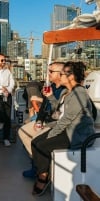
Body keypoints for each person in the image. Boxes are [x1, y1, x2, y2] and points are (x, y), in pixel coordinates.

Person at [31, 61, 95, 196]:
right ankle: (43, 172)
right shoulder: (66, 92)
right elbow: (59, 112)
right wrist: (51, 97)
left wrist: (51, 133)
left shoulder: (80, 93)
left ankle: (43, 177)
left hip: (77, 135)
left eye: (62, 74)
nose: (59, 76)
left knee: (42, 145)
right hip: (67, 129)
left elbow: (66, 119)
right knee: (35, 142)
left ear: (71, 76)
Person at [18, 62, 66, 178]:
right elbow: (44, 106)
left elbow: (61, 112)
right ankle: (38, 163)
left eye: (51, 71)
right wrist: (39, 121)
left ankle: (41, 169)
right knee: (22, 132)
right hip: (45, 120)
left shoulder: (65, 91)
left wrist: (47, 124)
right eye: (48, 70)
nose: (48, 73)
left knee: (35, 139)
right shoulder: (51, 87)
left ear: (61, 74)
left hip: (55, 123)